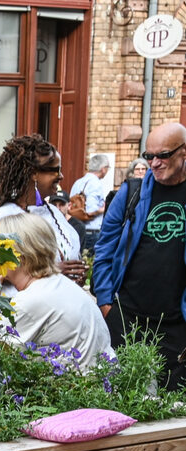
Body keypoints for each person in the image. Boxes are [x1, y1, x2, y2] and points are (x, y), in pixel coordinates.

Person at [93, 121, 186, 390]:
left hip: (176, 323)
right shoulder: (131, 192)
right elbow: (104, 249)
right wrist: (105, 301)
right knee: (122, 395)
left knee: (175, 402)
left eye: (163, 155)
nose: (155, 163)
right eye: (149, 156)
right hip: (127, 317)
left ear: (183, 152)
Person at [0, 213, 113, 369]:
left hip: (79, 388)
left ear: (19, 256)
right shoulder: (60, 284)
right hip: (99, 385)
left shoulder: (31, 300)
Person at [0, 134, 85, 283]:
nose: (61, 176)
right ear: (34, 173)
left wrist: (76, 277)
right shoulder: (3, 217)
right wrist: (52, 272)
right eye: (54, 170)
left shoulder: (55, 213)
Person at [69, 153, 111, 252]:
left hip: (76, 228)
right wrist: (104, 209)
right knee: (90, 264)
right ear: (103, 169)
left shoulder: (78, 182)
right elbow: (91, 210)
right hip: (91, 233)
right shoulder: (95, 183)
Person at [47, 190, 87, 262]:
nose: (58, 208)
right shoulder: (46, 223)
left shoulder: (77, 226)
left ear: (69, 206)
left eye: (62, 204)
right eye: (54, 205)